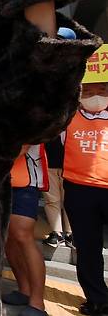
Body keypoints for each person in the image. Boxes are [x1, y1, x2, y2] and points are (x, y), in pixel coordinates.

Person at [62, 81, 108, 316]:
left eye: (102, 90)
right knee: (88, 251)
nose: (96, 96)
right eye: (88, 91)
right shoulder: (66, 117)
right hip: (79, 191)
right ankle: (97, 300)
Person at [2, 144, 49, 316]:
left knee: (23, 236)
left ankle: (37, 302)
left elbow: (22, 145)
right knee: (8, 238)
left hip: (24, 182)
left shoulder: (30, 117)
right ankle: (24, 290)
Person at [42, 137, 73, 248]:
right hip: (47, 162)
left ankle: (70, 233)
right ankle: (57, 233)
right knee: (51, 200)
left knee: (70, 200)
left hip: (71, 164)